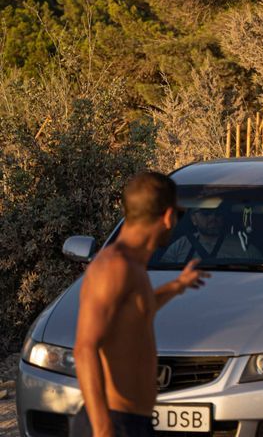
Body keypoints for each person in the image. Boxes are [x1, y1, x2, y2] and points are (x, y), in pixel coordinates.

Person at [73, 172, 210, 437]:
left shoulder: (133, 266)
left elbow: (136, 312)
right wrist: (102, 428)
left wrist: (177, 286)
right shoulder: (114, 266)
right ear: (169, 216)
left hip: (132, 422)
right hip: (113, 423)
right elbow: (85, 348)